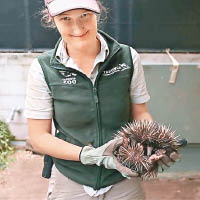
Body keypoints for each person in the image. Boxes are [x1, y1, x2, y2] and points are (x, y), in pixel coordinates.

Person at [25, 0, 163, 199]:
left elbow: (140, 112)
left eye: (84, 16)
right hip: (70, 176)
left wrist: (152, 141)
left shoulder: (127, 58)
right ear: (53, 20)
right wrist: (90, 155)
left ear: (97, 13)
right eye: (65, 19)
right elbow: (38, 137)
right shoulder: (43, 68)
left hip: (122, 175)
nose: (78, 27)